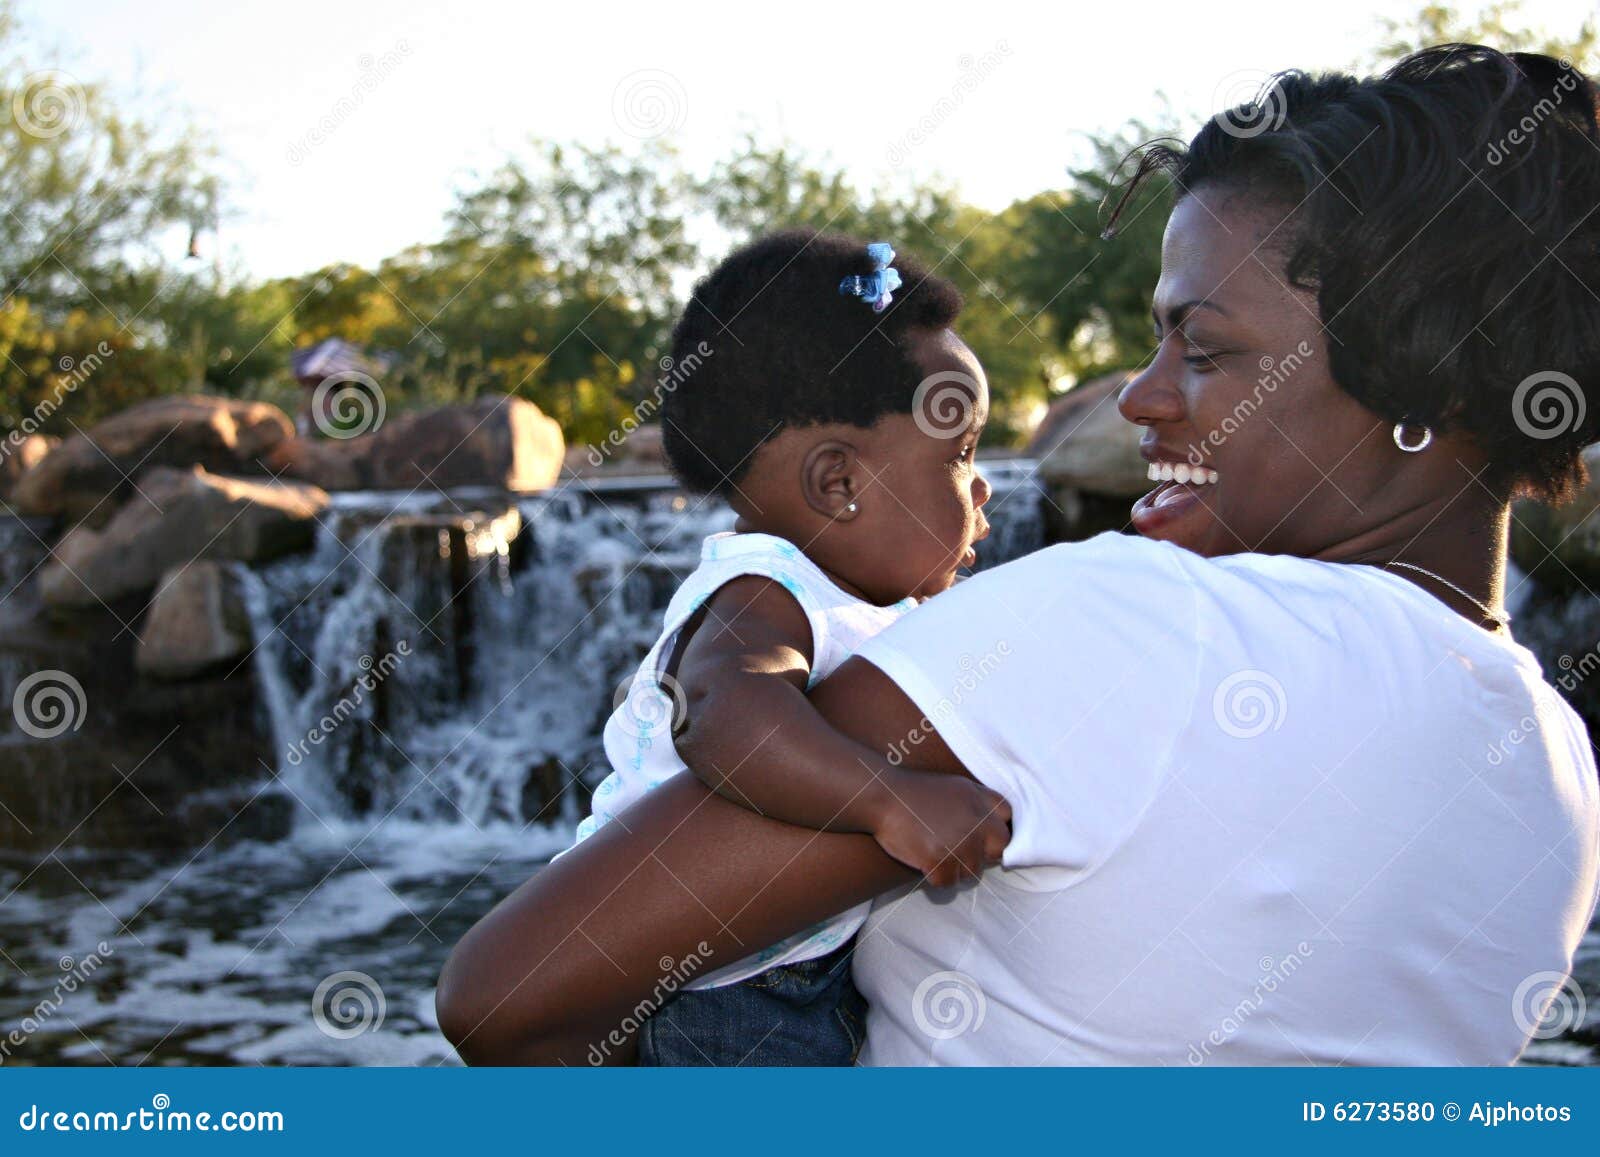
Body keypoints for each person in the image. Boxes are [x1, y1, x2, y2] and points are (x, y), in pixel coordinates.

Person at [438, 45, 1600, 1066]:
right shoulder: (1557, 771)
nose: (1140, 400)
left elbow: (504, 999)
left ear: (1423, 386)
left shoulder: (1131, 621)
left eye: (1200, 348)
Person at [557, 230, 1008, 1065]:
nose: (985, 488)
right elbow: (726, 716)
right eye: (962, 452)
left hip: (780, 964)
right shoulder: (764, 588)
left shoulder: (846, 593)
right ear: (838, 483)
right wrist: (890, 800)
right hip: (714, 996)